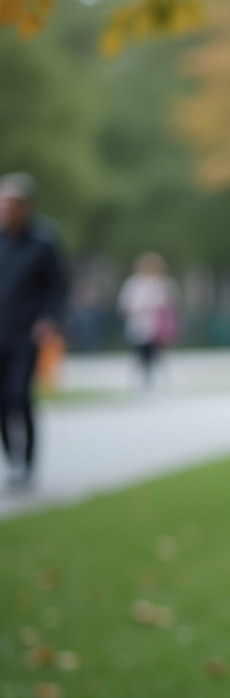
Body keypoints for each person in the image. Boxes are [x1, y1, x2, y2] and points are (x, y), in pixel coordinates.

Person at [0, 172, 69, 488]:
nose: (5, 210)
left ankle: (27, 463)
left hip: (27, 333)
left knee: (19, 395)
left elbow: (58, 286)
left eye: (11, 204)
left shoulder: (43, 241)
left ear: (25, 206)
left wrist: (47, 318)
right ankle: (12, 461)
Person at [117, 252, 179, 393]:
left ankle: (155, 382)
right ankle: (141, 382)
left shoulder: (164, 284)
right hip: (138, 326)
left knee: (156, 354)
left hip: (157, 327)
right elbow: (125, 306)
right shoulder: (133, 284)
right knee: (140, 354)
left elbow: (170, 306)